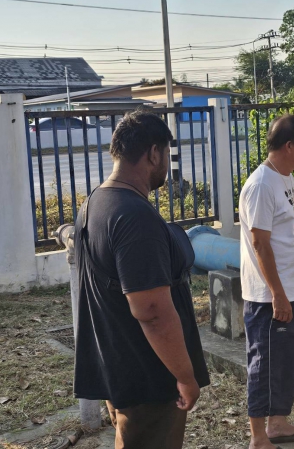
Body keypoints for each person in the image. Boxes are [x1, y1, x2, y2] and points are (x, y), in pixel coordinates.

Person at [73, 109, 210, 449]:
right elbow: (151, 310)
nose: (167, 163)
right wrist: (185, 375)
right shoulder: (134, 216)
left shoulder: (96, 202)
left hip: (119, 366)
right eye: (167, 153)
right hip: (149, 380)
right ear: (153, 153)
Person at [239, 114, 294, 449]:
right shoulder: (261, 185)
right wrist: (277, 294)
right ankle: (259, 437)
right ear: (289, 146)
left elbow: (289, 234)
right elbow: (260, 243)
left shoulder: (284, 177)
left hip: (292, 288)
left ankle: (278, 423)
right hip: (270, 298)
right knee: (266, 366)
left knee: (289, 363)